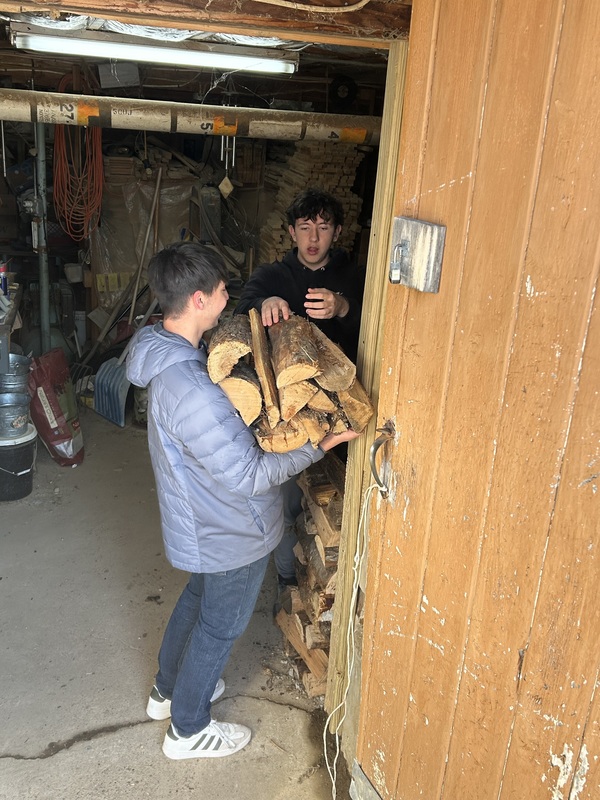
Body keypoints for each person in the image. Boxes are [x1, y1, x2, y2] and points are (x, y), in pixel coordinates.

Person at [126, 241, 359, 761]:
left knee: (196, 602)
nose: (230, 294)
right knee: (221, 624)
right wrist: (317, 445)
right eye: (222, 289)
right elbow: (251, 473)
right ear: (199, 300)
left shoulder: (167, 355)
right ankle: (188, 729)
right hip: (229, 529)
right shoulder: (193, 389)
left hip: (202, 519)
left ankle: (167, 691)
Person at [235, 188, 365, 594]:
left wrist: (344, 307)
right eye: (305, 228)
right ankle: (290, 577)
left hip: (345, 402)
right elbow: (241, 310)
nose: (313, 239)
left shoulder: (356, 276)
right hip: (290, 414)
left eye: (323, 228)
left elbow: (381, 321)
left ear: (337, 232)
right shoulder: (274, 275)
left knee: (342, 491)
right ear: (291, 231)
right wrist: (266, 301)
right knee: (287, 496)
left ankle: (337, 579)